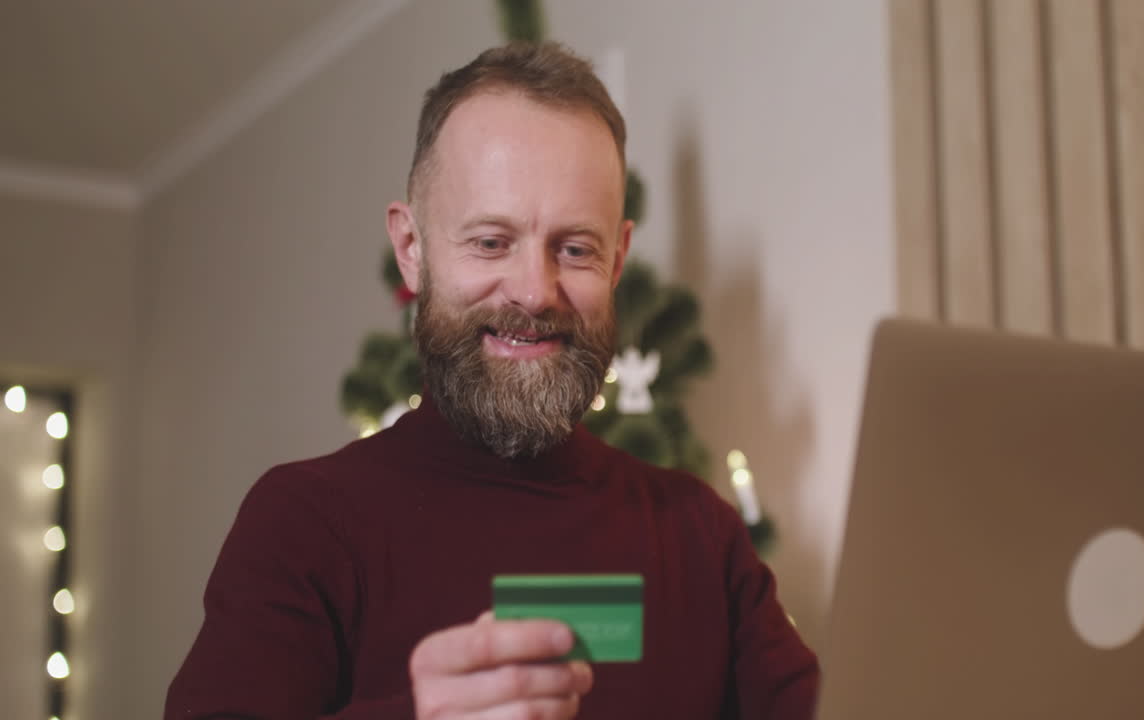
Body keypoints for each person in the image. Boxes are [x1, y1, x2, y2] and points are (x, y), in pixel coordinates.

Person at [166, 42, 819, 720]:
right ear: (411, 250)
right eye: (490, 242)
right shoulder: (302, 522)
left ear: (618, 258)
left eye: (574, 249)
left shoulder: (700, 535)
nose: (535, 292)